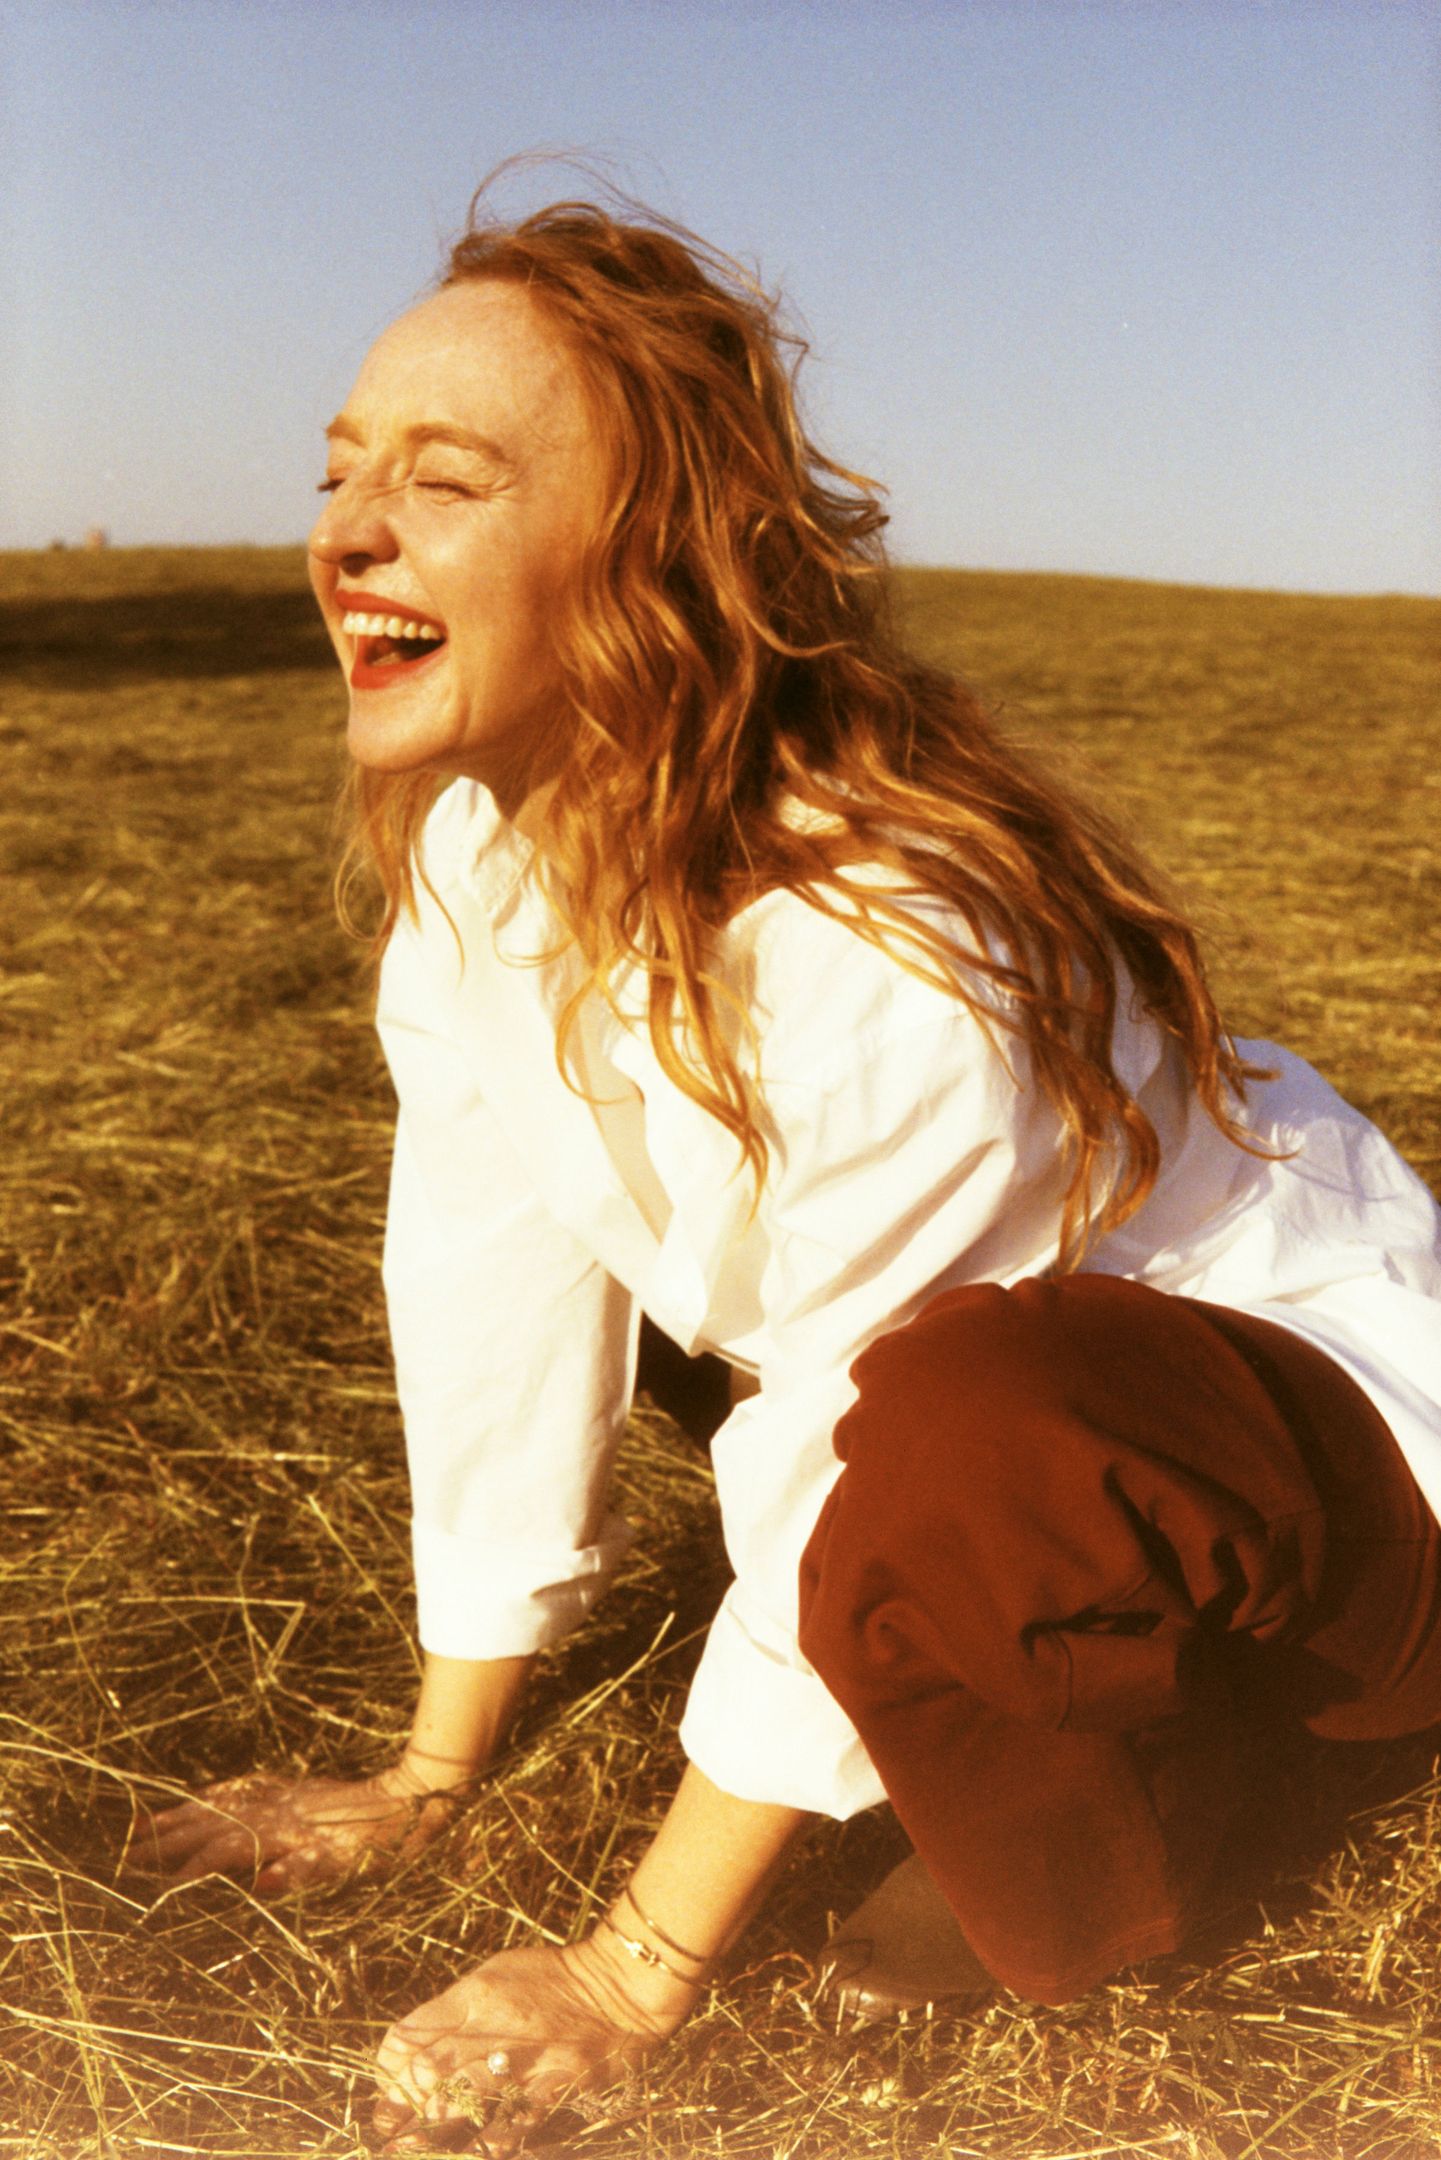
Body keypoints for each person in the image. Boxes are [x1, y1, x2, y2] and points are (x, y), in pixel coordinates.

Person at [134, 190, 1441, 2153]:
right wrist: (429, 1771)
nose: (347, 532)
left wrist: (627, 1971)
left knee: (952, 1444)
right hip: (1021, 1445)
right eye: (341, 473)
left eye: (445, 480)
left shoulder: (888, 935)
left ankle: (1221, 1783)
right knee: (820, 1379)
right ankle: (1041, 1702)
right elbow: (491, 1289)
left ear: (654, 555)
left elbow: (851, 1429)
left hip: (1350, 1520)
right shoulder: (479, 862)